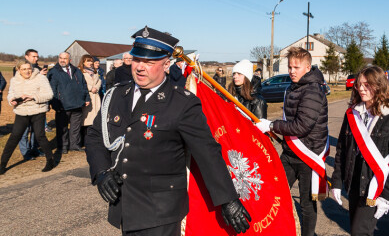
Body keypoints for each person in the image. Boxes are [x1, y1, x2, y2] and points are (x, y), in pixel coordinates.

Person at [85, 26, 251, 236]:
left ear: (166, 64)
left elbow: (207, 151)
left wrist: (228, 199)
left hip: (160, 211)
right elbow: (95, 137)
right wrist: (101, 172)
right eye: (137, 60)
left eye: (149, 62)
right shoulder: (117, 95)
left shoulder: (182, 103)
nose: (140, 67)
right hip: (124, 205)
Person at [256, 47, 328, 236]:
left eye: (296, 67)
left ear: (307, 67)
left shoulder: (313, 90)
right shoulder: (292, 87)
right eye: (289, 66)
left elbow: (301, 126)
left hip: (308, 154)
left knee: (306, 204)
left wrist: (272, 126)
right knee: (275, 193)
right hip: (290, 152)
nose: (292, 71)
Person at [330, 66, 389, 235]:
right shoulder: (352, 114)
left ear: (379, 85)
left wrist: (388, 196)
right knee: (356, 230)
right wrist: (336, 181)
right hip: (353, 182)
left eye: (367, 85)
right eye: (359, 85)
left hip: (374, 185)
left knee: (360, 232)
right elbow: (341, 150)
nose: (361, 89)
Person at [0, 61, 54, 174]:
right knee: (14, 137)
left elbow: (49, 94)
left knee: (40, 135)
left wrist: (33, 97)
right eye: (23, 69)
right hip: (22, 111)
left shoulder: (40, 78)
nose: (27, 71)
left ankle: (50, 160)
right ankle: (3, 164)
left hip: (37, 110)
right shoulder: (15, 80)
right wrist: (12, 100)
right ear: (19, 70)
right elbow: (10, 93)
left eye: (29, 68)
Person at [48, 52, 90, 154]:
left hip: (77, 103)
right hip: (63, 105)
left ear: (70, 60)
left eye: (65, 58)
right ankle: (63, 146)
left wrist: (87, 98)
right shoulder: (53, 72)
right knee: (62, 128)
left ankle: (74, 145)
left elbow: (84, 85)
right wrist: (55, 104)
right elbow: (51, 90)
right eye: (60, 58)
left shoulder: (76, 71)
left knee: (75, 127)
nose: (62, 60)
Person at [80, 55, 102, 147]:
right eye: (87, 61)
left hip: (95, 97)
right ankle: (83, 140)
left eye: (91, 61)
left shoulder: (95, 72)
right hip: (87, 97)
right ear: (83, 62)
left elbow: (99, 81)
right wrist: (90, 88)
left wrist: (96, 87)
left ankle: (92, 139)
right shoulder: (81, 72)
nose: (90, 63)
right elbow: (81, 83)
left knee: (94, 119)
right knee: (85, 119)